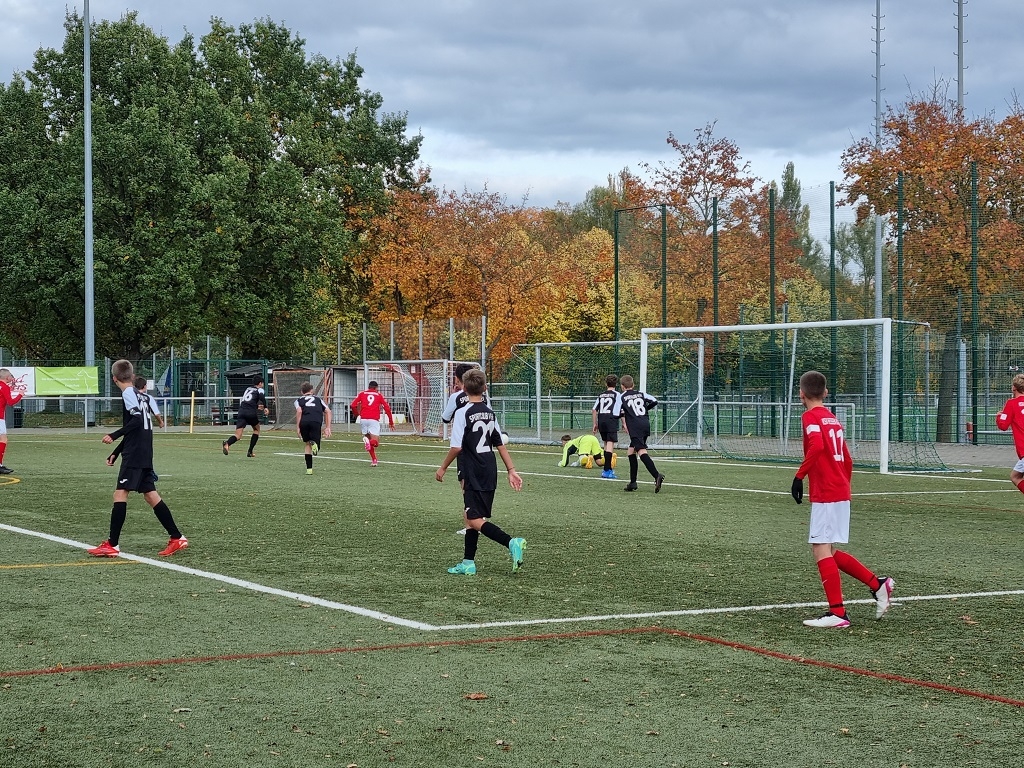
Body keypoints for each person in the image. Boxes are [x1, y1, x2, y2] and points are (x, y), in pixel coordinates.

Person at [791, 370, 893, 628]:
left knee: (820, 548)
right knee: (828, 549)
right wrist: (843, 485)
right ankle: (877, 584)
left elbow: (817, 445)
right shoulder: (832, 419)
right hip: (839, 489)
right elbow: (847, 459)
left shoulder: (810, 417)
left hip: (827, 491)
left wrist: (799, 476)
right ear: (825, 393)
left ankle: (838, 613)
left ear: (801, 394)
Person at [88, 359, 188, 558]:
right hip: (143, 450)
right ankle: (177, 537)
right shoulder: (142, 395)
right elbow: (137, 427)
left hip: (135, 453)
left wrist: (114, 435)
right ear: (132, 376)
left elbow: (136, 420)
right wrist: (117, 451)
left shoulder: (127, 393)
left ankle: (112, 545)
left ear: (114, 378)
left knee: (120, 494)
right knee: (150, 495)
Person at [435, 369, 525, 575]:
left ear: (464, 389)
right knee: (470, 515)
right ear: (485, 388)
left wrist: (443, 467)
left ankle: (511, 542)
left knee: (473, 519)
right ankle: (468, 562)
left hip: (471, 469)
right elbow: (500, 444)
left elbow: (456, 447)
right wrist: (511, 470)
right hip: (489, 468)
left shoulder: (462, 412)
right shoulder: (490, 413)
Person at [617, 374, 665, 492]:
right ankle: (633, 482)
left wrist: (624, 417)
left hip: (635, 427)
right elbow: (654, 401)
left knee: (641, 451)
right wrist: (645, 409)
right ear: (633, 385)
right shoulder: (641, 394)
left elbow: (617, 411)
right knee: (631, 451)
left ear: (622, 386)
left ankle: (657, 475)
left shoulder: (622, 397)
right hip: (644, 423)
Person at [350, 380, 395, 467]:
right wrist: (391, 421)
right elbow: (387, 408)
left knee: (369, 441)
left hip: (363, 420)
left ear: (369, 387)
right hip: (373, 420)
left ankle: (374, 460)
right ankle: (369, 445)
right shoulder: (378, 395)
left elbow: (353, 405)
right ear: (376, 388)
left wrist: (356, 414)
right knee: (375, 443)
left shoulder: (362, 394)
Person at [222, 375, 267, 457]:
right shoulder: (260, 389)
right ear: (260, 383)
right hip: (250, 413)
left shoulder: (248, 389)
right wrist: (265, 407)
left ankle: (227, 443)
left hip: (241, 412)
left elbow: (247, 401)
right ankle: (250, 451)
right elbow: (261, 397)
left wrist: (256, 406)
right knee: (256, 430)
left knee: (238, 435)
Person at [995, 372, 1024, 495]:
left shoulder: (1011, 404)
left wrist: (999, 416)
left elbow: (1003, 425)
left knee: (1015, 477)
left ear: (1014, 388)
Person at [295, 382, 332, 474]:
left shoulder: (298, 400)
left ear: (301, 392)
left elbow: (299, 411)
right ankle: (315, 445)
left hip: (304, 422)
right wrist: (328, 427)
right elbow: (328, 411)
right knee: (315, 444)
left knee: (307, 444)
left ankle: (309, 469)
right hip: (316, 421)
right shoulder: (318, 400)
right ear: (312, 391)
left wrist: (298, 426)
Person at [592, 374, 623, 479]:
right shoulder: (617, 395)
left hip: (601, 420)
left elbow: (594, 410)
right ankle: (607, 470)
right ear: (616, 384)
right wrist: (624, 423)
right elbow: (620, 409)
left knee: (606, 444)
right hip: (611, 420)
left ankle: (607, 469)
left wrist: (595, 423)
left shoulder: (601, 395)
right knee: (610, 444)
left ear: (606, 383)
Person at [0, 368, 25, 475]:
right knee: (3, 439)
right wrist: (20, 395)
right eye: (10, 375)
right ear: (7, 377)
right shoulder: (4, 387)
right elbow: (10, 402)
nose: (12, 377)